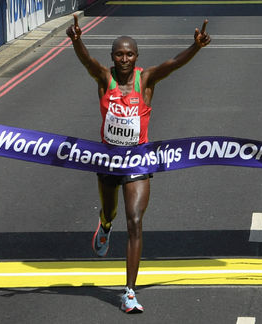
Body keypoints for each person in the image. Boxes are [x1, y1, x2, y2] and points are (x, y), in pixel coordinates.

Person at [66, 14, 210, 313]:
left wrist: (195, 47)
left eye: (129, 54)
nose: (124, 59)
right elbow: (87, 60)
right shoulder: (104, 78)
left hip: (138, 159)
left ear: (136, 56)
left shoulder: (146, 80)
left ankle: (129, 291)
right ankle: (105, 225)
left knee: (134, 221)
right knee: (111, 212)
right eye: (119, 54)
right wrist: (77, 40)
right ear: (113, 57)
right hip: (107, 159)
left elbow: (173, 64)